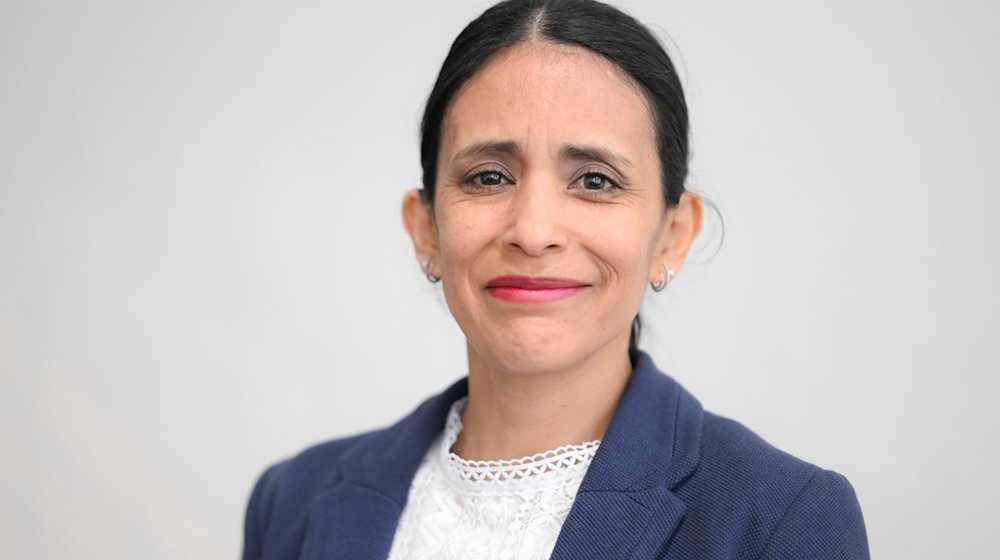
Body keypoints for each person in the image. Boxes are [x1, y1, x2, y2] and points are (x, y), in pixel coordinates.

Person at [241, 0, 870, 558]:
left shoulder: (779, 520)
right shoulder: (291, 501)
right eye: (489, 176)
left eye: (595, 180)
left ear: (672, 237)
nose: (533, 230)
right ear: (426, 229)